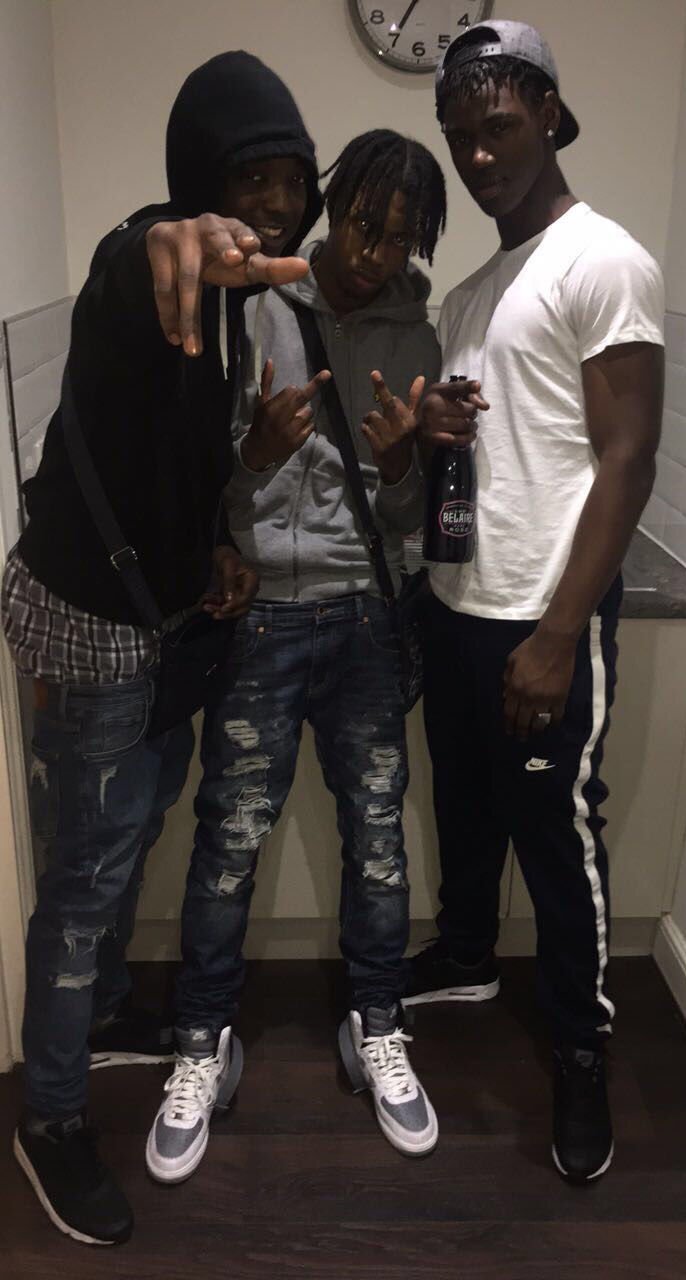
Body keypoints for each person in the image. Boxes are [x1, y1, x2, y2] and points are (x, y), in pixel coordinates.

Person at [2, 51, 324, 1245]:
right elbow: (136, 268)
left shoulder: (237, 314)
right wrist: (172, 240)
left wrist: (232, 514)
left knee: (132, 835)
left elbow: (171, 468)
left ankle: (99, 1015)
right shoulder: (149, 262)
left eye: (290, 180)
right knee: (82, 888)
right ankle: (50, 1118)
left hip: (167, 626)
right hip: (90, 632)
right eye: (249, 179)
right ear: (199, 182)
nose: (274, 205)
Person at [144, 130, 446, 1182]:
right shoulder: (254, 303)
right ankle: (201, 1040)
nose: (374, 253)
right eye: (363, 224)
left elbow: (407, 519)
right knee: (228, 838)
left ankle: (378, 1021)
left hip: (366, 615)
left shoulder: (418, 332)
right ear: (333, 204)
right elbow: (208, 488)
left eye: (399, 238)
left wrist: (402, 467)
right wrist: (259, 453)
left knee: (378, 836)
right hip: (265, 615)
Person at [404, 21, 664, 1184]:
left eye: (498, 127)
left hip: (539, 616)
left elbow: (628, 458)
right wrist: (432, 435)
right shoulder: (471, 292)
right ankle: (467, 954)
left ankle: (581, 1047)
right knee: (466, 808)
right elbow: (495, 450)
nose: (477, 155)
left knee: (557, 837)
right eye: (459, 135)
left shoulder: (602, 258)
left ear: (550, 115)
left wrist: (559, 636)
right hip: (456, 603)